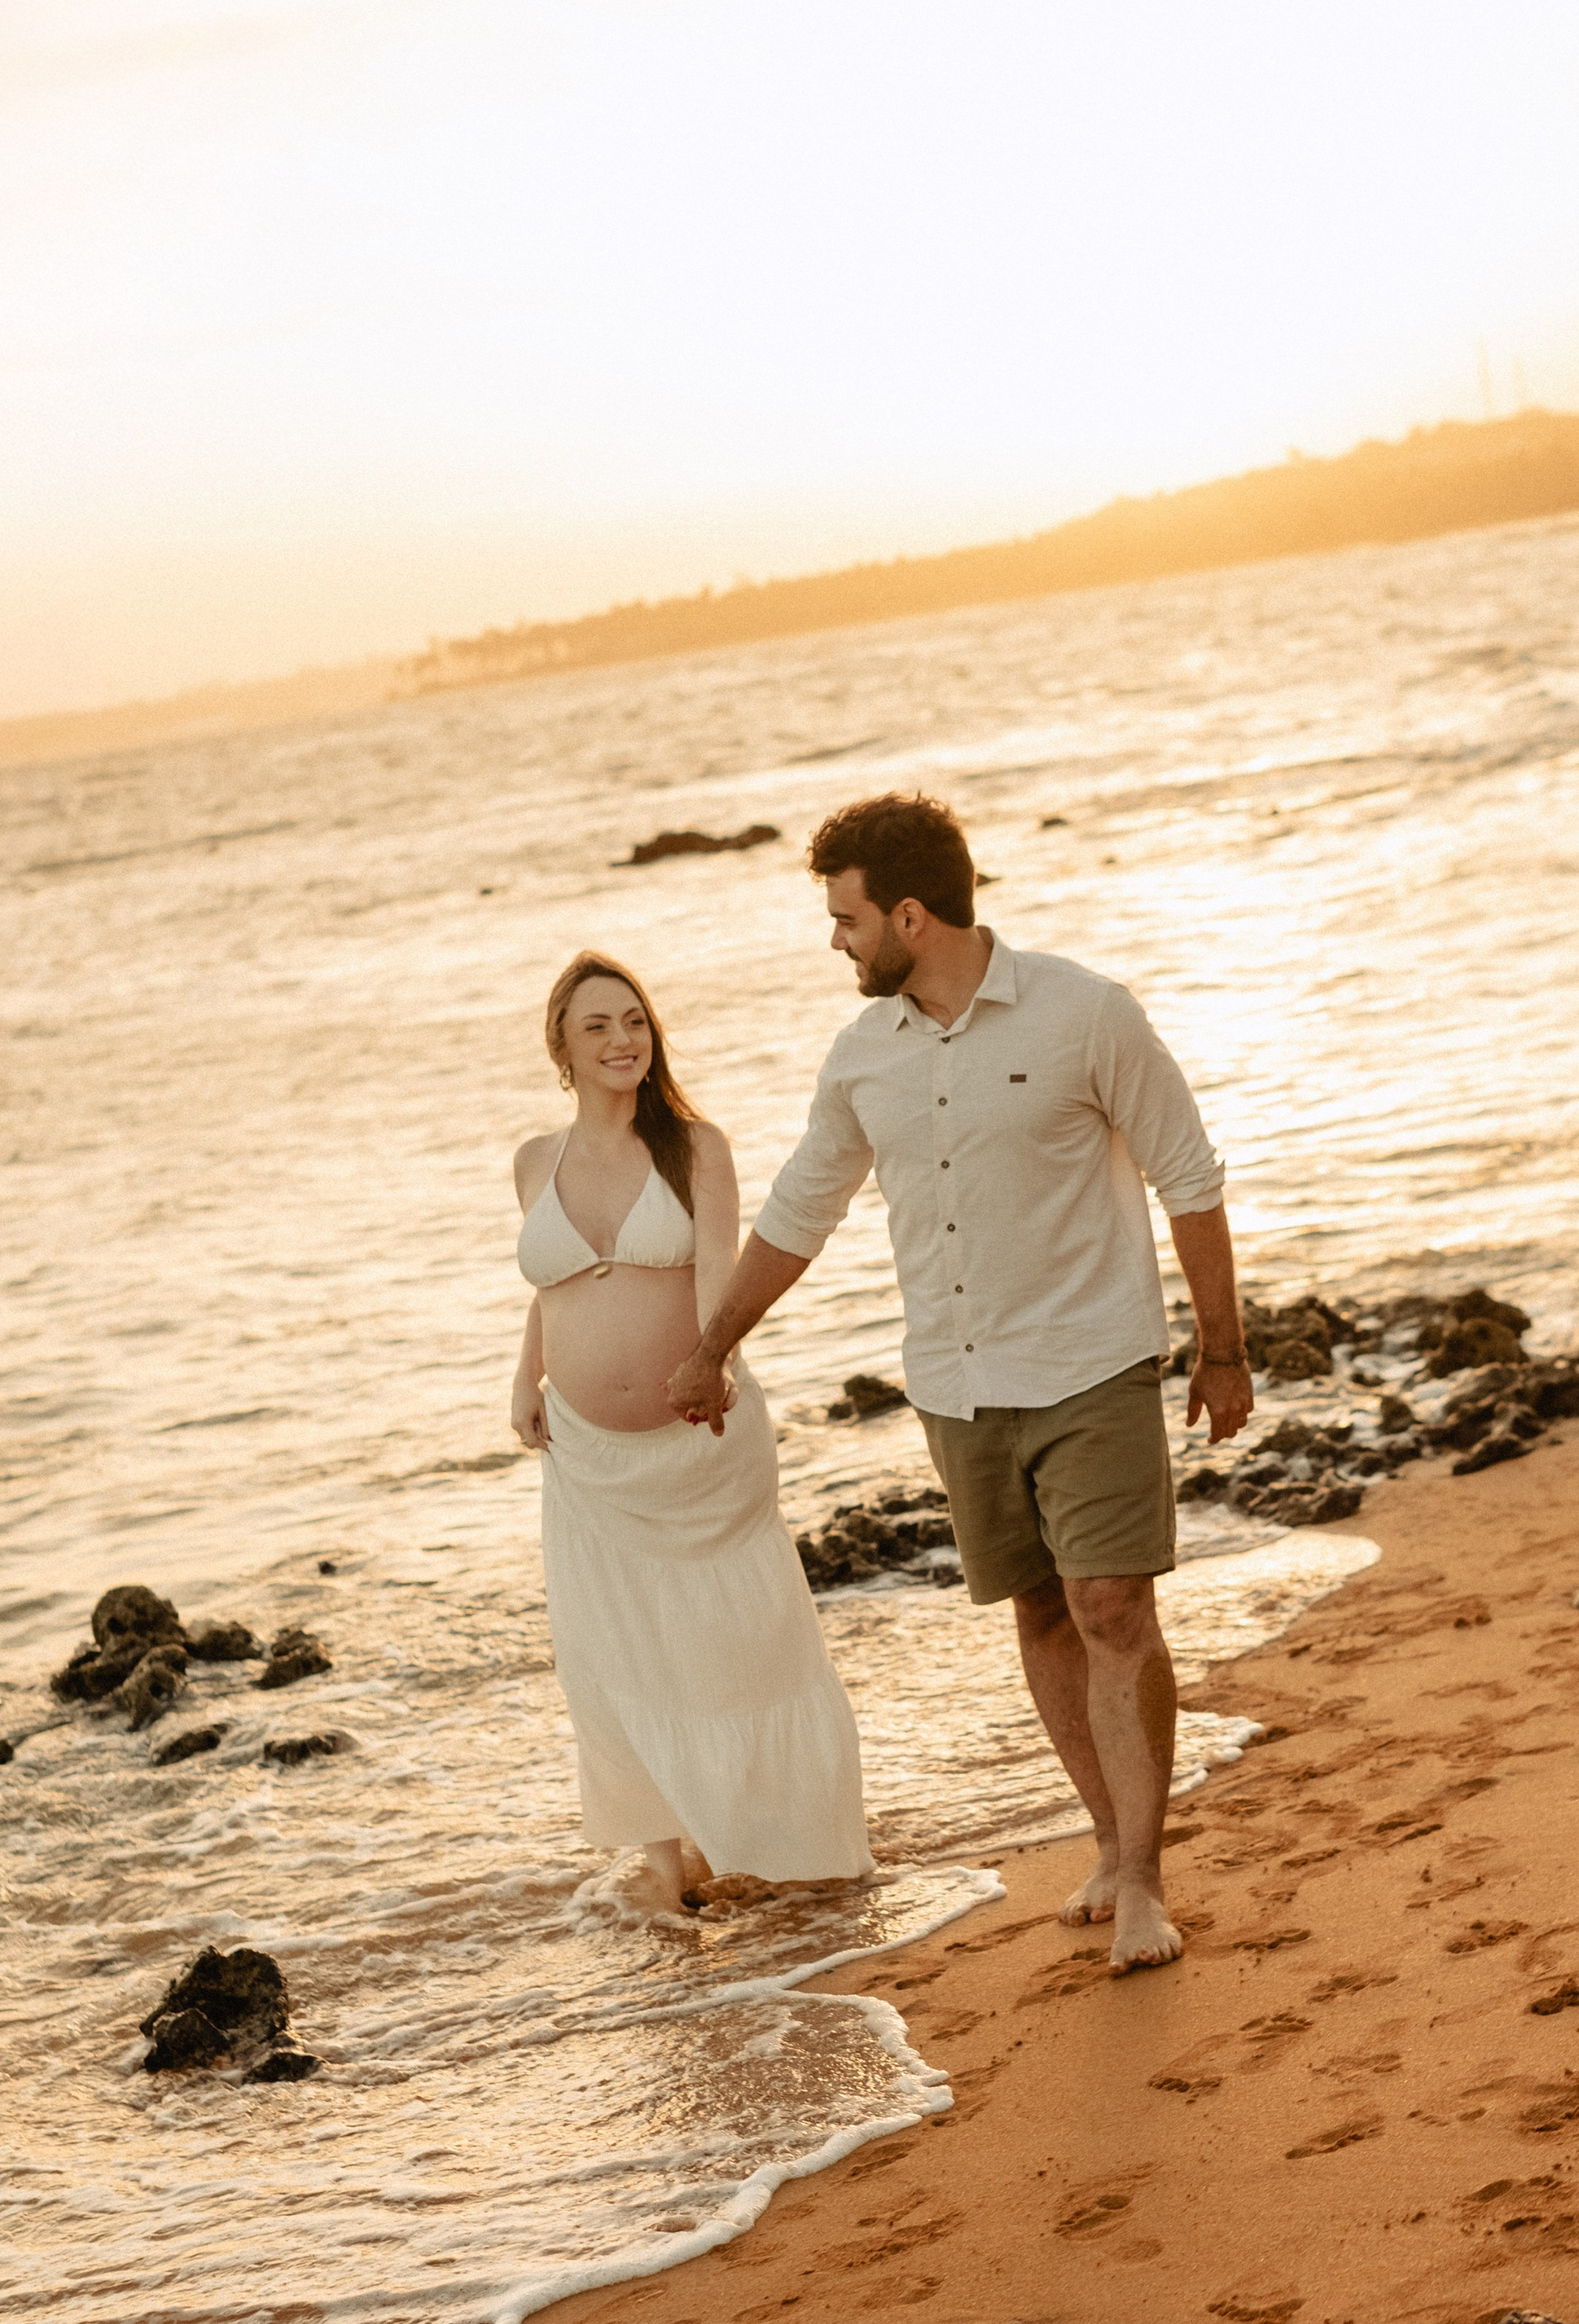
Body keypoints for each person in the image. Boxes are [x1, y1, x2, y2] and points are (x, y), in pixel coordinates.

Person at [665, 795, 1252, 1972]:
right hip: (956, 1384)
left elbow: (1188, 1174)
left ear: (912, 915)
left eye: (846, 919)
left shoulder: (1088, 1013)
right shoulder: (864, 1057)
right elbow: (798, 1212)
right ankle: (1107, 1836)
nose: (836, 941)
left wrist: (1223, 1345)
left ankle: (1143, 1878)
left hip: (1093, 1362)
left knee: (1112, 1609)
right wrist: (714, 1340)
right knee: (1040, 1611)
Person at [512, 949, 871, 1901]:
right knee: (614, 1646)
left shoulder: (693, 1146)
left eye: (634, 1021)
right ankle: (665, 1870)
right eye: (598, 1026)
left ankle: (792, 1845)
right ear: (562, 1045)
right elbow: (549, 1282)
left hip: (699, 1446)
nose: (622, 1040)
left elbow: (716, 1267)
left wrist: (718, 1362)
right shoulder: (532, 1162)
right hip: (587, 1459)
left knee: (745, 1643)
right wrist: (525, 1377)